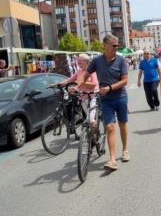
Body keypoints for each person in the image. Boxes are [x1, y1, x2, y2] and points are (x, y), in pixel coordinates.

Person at [78, 34, 129, 171]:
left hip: (120, 97)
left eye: (117, 45)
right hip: (106, 100)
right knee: (110, 127)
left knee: (122, 124)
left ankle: (125, 150)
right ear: (105, 46)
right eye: (113, 45)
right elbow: (86, 75)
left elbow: (125, 81)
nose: (116, 48)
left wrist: (110, 88)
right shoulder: (97, 61)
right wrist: (78, 86)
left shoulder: (121, 60)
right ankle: (112, 160)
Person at [55, 54, 99, 127]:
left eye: (80, 60)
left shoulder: (92, 71)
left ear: (86, 61)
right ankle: (89, 133)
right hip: (83, 96)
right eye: (78, 60)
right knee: (87, 117)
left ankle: (95, 132)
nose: (78, 62)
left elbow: (94, 84)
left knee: (91, 119)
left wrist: (81, 83)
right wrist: (58, 83)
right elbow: (70, 80)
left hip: (92, 96)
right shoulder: (79, 71)